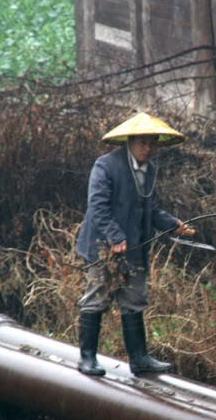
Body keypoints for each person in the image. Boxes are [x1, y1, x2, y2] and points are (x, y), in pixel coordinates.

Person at [75, 112, 194, 376]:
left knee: (134, 299)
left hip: (134, 247)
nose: (148, 148)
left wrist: (172, 224)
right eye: (142, 142)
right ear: (129, 141)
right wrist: (115, 237)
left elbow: (147, 207)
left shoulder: (149, 170)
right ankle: (87, 358)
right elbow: (97, 207)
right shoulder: (106, 165)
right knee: (96, 298)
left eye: (152, 143)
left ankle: (139, 359)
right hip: (102, 246)